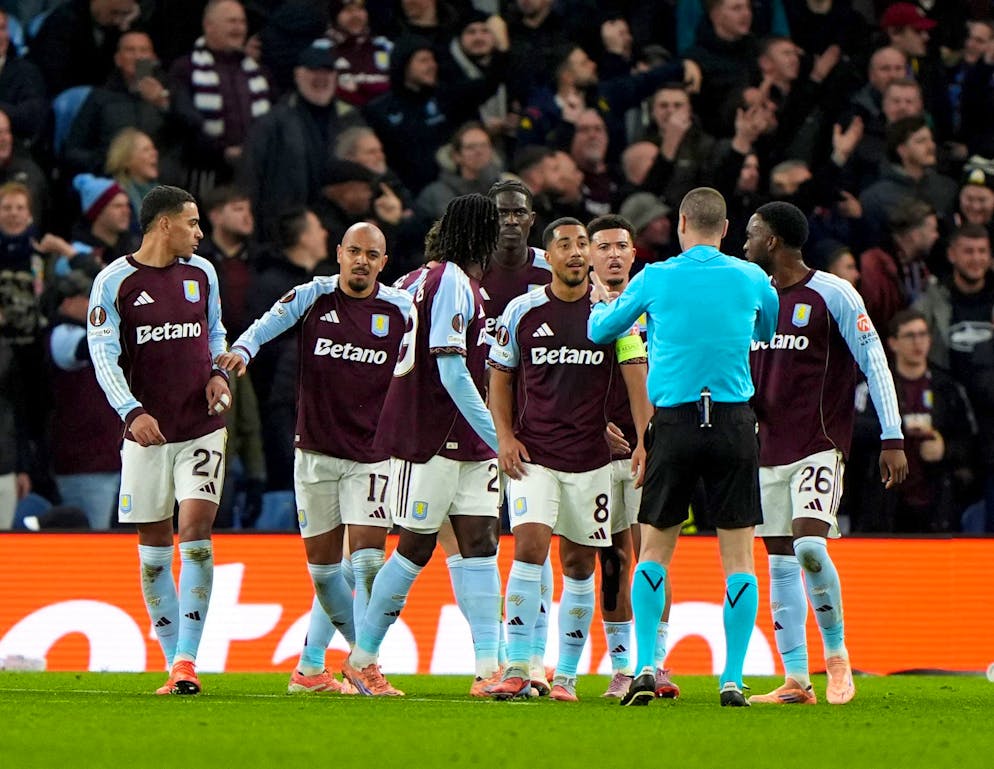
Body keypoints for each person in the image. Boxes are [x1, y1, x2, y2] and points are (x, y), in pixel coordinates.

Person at [587, 186, 779, 707]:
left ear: (680, 224)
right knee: (738, 558)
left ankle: (646, 664)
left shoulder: (655, 277)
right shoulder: (752, 276)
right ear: (725, 229)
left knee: (654, 552)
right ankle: (733, 679)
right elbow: (767, 327)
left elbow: (600, 330)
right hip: (735, 421)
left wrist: (609, 303)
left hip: (672, 421)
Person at [216, 222, 411, 694]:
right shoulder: (313, 296)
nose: (362, 260)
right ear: (339, 254)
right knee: (326, 574)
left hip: (372, 455)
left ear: (384, 263)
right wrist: (243, 347)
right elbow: (266, 325)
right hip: (316, 454)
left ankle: (365, 663)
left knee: (366, 564)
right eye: (354, 251)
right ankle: (310, 669)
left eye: (372, 254)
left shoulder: (403, 309)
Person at [744, 201, 907, 705]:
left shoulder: (833, 293)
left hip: (819, 445)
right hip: (764, 450)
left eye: (751, 234)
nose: (744, 243)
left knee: (810, 547)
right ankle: (797, 679)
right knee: (777, 562)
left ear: (773, 241)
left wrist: (892, 436)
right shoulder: (752, 297)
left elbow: (874, 361)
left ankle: (837, 658)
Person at [342, 194, 502, 697]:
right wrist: (501, 436)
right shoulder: (453, 280)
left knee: (480, 543)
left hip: (458, 439)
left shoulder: (415, 279)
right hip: (431, 436)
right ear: (482, 235)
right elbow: (451, 369)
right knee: (415, 546)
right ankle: (362, 660)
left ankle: (489, 669)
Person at [486, 216, 651, 703]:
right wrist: (504, 436)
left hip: (593, 461)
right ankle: (517, 665)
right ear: (549, 257)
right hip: (535, 456)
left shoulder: (613, 313)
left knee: (580, 565)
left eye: (583, 244)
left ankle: (566, 677)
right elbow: (500, 377)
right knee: (529, 547)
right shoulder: (523, 310)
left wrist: (645, 440)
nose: (577, 252)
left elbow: (635, 376)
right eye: (566, 245)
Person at [87, 184, 232, 695]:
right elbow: (103, 355)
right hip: (147, 434)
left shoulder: (203, 273)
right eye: (192, 223)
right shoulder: (115, 282)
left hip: (201, 428)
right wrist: (131, 412)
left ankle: (188, 660)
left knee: (194, 531)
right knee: (153, 549)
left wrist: (220, 375)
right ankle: (174, 664)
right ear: (164, 225)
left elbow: (215, 334)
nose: (199, 232)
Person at [587, 213, 679, 700]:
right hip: (596, 450)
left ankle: (655, 663)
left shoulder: (656, 302)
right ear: (589, 253)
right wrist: (590, 426)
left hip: (656, 443)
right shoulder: (577, 306)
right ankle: (623, 667)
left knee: (654, 557)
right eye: (604, 246)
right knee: (613, 561)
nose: (615, 254)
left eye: (622, 245)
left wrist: (655, 435)